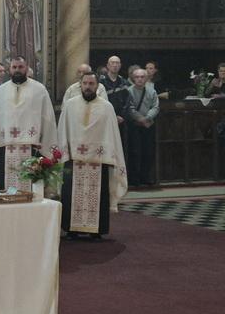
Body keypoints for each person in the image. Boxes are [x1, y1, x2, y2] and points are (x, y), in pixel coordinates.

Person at [57, 72, 127, 239]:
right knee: (71, 194)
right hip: (74, 158)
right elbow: (63, 130)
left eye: (91, 84)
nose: (88, 87)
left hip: (98, 160)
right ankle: (71, 229)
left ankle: (96, 231)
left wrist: (111, 153)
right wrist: (63, 152)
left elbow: (112, 133)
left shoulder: (106, 107)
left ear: (97, 86)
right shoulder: (70, 105)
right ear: (80, 85)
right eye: (85, 83)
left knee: (99, 194)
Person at [0, 56, 58, 191]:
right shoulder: (1, 90)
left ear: (26, 68)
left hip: (32, 147)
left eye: (20, 67)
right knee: (4, 189)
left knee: (31, 189)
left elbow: (47, 118)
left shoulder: (39, 89)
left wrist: (47, 145)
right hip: (6, 147)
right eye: (14, 67)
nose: (17, 70)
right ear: (9, 69)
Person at [127, 68, 159, 187]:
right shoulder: (128, 91)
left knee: (148, 152)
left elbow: (155, 107)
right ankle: (134, 179)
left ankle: (146, 177)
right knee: (135, 152)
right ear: (133, 78)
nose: (139, 79)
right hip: (134, 126)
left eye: (142, 77)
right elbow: (129, 108)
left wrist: (147, 118)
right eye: (137, 77)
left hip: (148, 125)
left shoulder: (152, 91)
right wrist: (140, 119)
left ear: (146, 78)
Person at [99, 56, 130, 152]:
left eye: (117, 63)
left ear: (120, 66)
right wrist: (112, 116)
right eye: (112, 63)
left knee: (121, 147)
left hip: (121, 121)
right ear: (108, 65)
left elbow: (128, 101)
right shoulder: (101, 82)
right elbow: (99, 102)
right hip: (105, 120)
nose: (115, 65)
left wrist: (122, 116)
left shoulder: (124, 82)